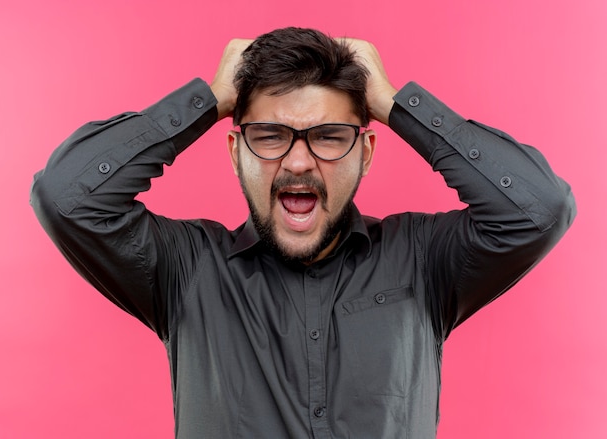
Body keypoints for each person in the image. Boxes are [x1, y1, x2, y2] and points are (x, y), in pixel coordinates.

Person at [30, 27, 576, 438]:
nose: (297, 163)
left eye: (329, 136)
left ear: (364, 152)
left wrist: (392, 101)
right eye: (269, 135)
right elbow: (67, 197)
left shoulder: (424, 261)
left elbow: (539, 208)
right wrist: (213, 97)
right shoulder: (186, 269)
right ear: (235, 151)